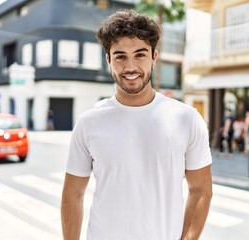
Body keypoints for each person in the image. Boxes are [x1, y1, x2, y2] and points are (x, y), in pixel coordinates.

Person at [61, 10, 212, 240]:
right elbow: (73, 194)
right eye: (120, 56)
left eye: (140, 54)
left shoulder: (187, 119)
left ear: (154, 56)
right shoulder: (88, 123)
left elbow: (201, 190)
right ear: (108, 60)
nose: (130, 66)